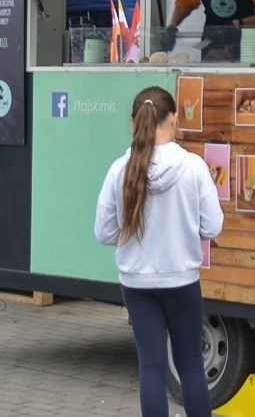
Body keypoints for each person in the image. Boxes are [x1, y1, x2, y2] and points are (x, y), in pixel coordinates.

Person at [95, 86, 224, 417]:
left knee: (151, 367)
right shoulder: (194, 167)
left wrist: (131, 233)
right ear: (174, 119)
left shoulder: (119, 169)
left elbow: (103, 232)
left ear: (134, 122)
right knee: (191, 363)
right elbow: (213, 227)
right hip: (182, 280)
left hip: (137, 282)